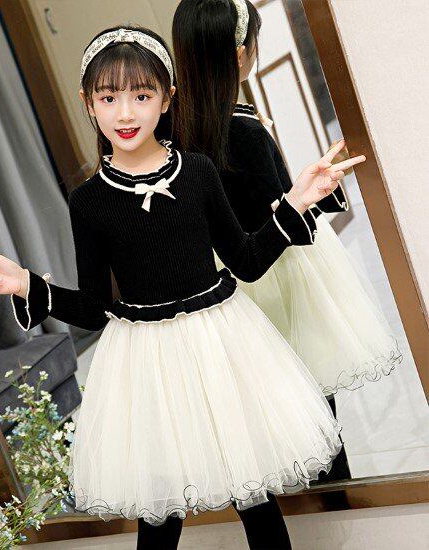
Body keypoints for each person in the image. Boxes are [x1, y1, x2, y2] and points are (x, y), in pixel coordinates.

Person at [0, 25, 365, 549]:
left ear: (167, 99)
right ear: (88, 103)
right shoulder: (89, 202)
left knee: (255, 497)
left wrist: (297, 200)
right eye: (109, 98)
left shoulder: (199, 172)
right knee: (160, 510)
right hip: (147, 361)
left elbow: (248, 262)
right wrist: (25, 283)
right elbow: (94, 310)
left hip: (224, 345)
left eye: (141, 96)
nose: (125, 113)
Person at [172, 0, 403, 490]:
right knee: (315, 409)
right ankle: (331, 500)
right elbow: (281, 222)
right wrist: (322, 193)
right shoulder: (243, 131)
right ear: (240, 55)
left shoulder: (173, 129)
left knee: (266, 418)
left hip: (219, 286)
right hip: (276, 277)